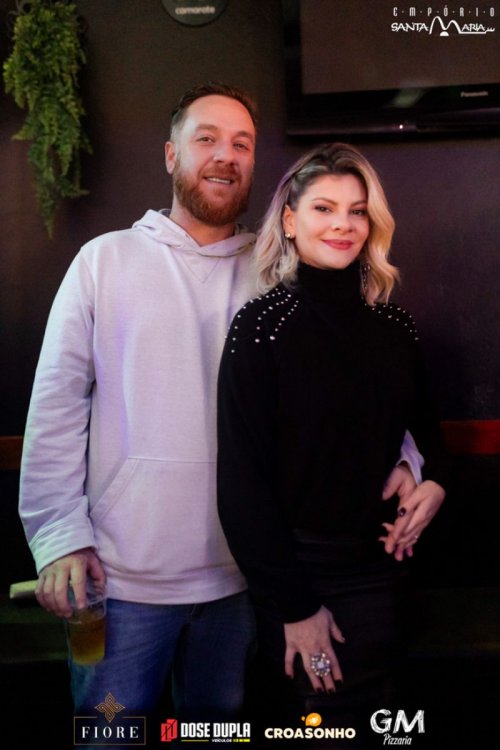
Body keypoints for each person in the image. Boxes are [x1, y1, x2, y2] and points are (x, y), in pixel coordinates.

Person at [19, 84, 423, 737]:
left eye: (242, 143)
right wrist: (59, 537)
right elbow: (57, 407)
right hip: (124, 582)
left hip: (242, 585)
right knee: (110, 735)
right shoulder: (105, 261)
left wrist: (405, 457)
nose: (225, 155)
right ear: (171, 154)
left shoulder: (278, 274)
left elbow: (351, 383)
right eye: (206, 138)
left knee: (219, 733)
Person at [217, 143, 447, 745]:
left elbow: (428, 433)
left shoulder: (394, 326)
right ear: (291, 221)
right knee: (318, 727)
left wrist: (432, 481)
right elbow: (241, 485)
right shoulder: (260, 326)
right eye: (324, 208)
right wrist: (294, 608)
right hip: (300, 578)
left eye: (357, 210)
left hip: (383, 573)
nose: (343, 224)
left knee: (380, 723)